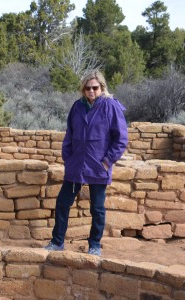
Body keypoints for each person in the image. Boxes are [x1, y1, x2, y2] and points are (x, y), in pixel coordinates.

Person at [45, 71, 128, 256]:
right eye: (87, 88)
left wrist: (107, 162)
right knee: (62, 203)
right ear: (83, 89)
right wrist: (67, 157)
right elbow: (70, 133)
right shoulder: (77, 106)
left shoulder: (110, 106)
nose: (91, 91)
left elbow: (121, 138)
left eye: (95, 88)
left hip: (98, 166)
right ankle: (57, 241)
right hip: (76, 165)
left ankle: (95, 245)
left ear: (102, 88)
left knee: (97, 208)